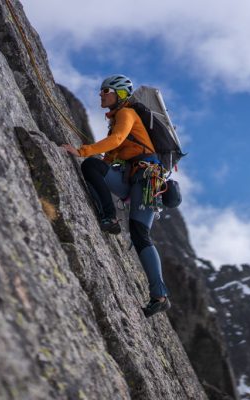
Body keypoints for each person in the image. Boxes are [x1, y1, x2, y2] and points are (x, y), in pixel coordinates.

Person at [62, 74, 170, 318]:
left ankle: (160, 295)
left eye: (106, 90)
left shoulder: (126, 114)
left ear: (119, 94)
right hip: (135, 178)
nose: (101, 94)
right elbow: (112, 155)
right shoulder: (118, 118)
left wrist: (81, 151)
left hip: (144, 178)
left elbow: (117, 140)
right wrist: (95, 157)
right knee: (94, 167)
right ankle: (109, 218)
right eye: (102, 91)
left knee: (140, 233)